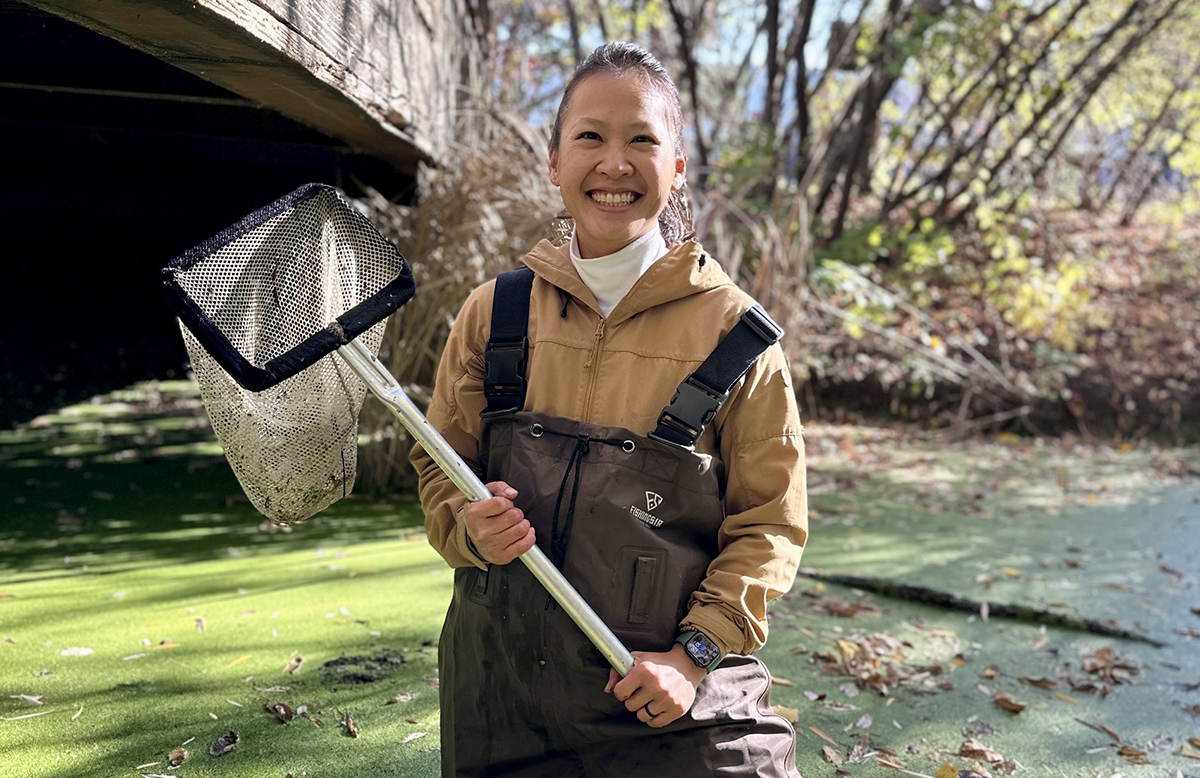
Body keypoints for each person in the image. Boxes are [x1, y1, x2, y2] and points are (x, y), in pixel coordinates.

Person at [410, 41, 808, 777]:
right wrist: (469, 531)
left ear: (677, 169)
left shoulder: (738, 336)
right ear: (554, 161)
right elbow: (439, 474)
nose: (614, 164)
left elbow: (769, 527)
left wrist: (691, 659)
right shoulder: (490, 315)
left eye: (642, 141)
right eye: (590, 137)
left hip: (666, 699)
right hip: (499, 700)